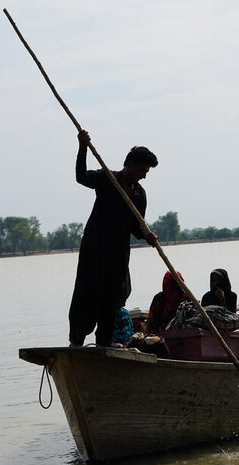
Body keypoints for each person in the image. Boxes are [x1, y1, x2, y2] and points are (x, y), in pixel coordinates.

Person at [68, 130, 159, 347]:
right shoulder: (108, 178)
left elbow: (136, 227)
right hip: (95, 249)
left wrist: (147, 235)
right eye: (141, 170)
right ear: (128, 164)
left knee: (112, 298)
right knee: (87, 293)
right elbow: (81, 177)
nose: (143, 175)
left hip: (118, 253)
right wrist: (82, 148)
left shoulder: (139, 194)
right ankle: (76, 341)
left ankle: (104, 343)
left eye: (146, 172)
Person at [147, 270, 189, 334]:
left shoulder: (187, 298)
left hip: (183, 336)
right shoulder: (159, 299)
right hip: (161, 337)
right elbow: (151, 324)